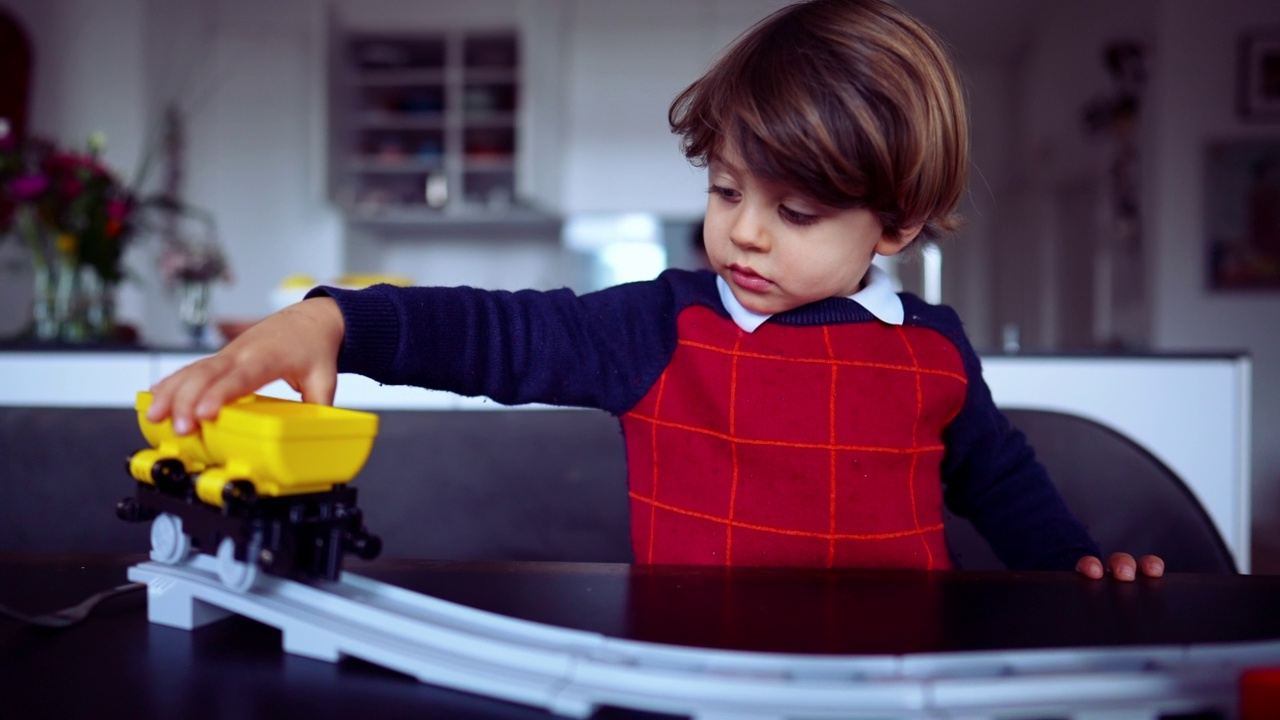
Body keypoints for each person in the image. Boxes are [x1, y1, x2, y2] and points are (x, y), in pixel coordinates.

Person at [147, 0, 1162, 581]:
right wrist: (335, 316)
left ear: (893, 224)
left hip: (887, 687)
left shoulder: (933, 347)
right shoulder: (658, 325)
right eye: (725, 190)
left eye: (796, 212)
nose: (744, 230)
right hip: (689, 680)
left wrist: (1070, 576)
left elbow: (998, 482)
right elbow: (492, 334)